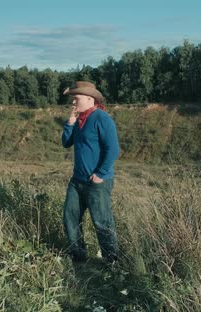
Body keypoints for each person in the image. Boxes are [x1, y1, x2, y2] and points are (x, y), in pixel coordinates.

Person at [61, 81, 120, 263]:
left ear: (89, 99)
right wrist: (70, 123)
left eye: (75, 98)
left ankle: (112, 262)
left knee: (102, 222)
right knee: (69, 217)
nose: (72, 102)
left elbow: (113, 149)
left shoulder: (102, 119)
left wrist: (100, 174)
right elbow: (66, 143)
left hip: (97, 182)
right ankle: (78, 257)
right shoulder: (79, 120)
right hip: (77, 180)